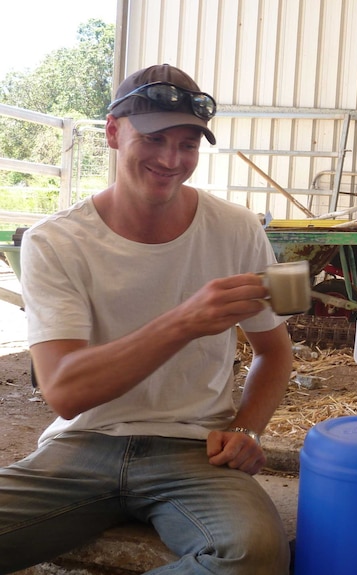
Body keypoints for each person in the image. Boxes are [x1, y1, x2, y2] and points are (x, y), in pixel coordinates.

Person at [0, 64, 292, 573]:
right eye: (154, 138)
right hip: (82, 444)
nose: (171, 159)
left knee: (255, 554)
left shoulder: (237, 230)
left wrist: (249, 430)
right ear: (113, 132)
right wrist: (184, 321)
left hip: (195, 450)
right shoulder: (57, 241)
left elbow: (274, 349)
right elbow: (66, 392)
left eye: (188, 144)